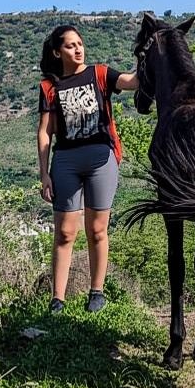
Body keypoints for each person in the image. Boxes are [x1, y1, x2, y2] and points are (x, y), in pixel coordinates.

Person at [37, 24, 138, 314]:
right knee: (65, 232)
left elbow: (132, 82)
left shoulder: (100, 74)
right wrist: (44, 173)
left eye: (80, 43)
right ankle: (57, 299)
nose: (78, 49)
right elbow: (45, 132)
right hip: (66, 161)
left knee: (97, 230)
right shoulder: (49, 87)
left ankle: (97, 293)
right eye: (70, 45)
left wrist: (152, 55)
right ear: (58, 52)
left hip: (101, 159)